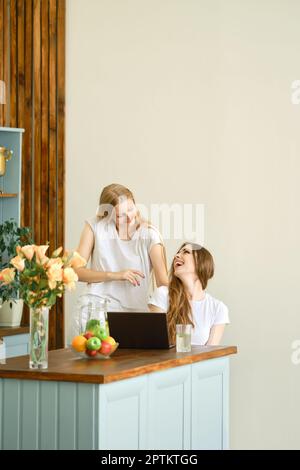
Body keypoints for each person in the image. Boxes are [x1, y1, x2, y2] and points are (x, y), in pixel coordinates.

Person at [75, 183, 168, 312]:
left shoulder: (150, 235)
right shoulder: (95, 226)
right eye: (120, 215)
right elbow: (75, 271)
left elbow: (163, 282)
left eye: (130, 209)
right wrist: (114, 275)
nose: (129, 217)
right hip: (96, 305)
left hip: (134, 310)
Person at [148, 242, 229, 345]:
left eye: (186, 252)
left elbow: (210, 353)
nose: (176, 256)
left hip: (201, 361)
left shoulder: (218, 308)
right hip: (168, 361)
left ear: (201, 262)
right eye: (178, 253)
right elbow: (156, 344)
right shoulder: (162, 295)